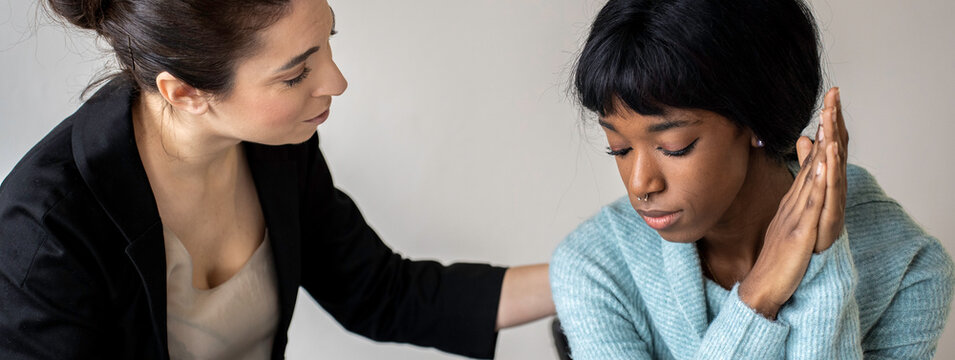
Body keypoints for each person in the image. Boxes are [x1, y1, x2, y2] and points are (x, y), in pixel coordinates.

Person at [0, 0, 555, 359]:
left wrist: (588, 270)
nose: (336, 82)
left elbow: (383, 294)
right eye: (295, 75)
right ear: (185, 93)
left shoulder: (278, 150)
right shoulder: (44, 233)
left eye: (328, 41)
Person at [550, 0, 954, 358]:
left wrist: (823, 270)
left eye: (674, 147)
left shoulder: (908, 268)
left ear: (756, 122)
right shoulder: (593, 269)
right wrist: (758, 295)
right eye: (618, 148)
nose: (640, 184)